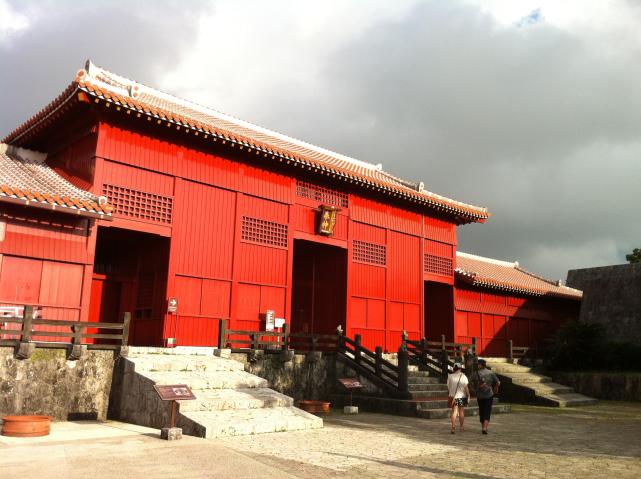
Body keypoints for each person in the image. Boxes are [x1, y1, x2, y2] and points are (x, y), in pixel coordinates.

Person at [474, 358, 500, 434]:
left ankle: (483, 427)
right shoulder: (491, 373)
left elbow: (468, 382)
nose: (477, 365)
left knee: (481, 410)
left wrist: (474, 389)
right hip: (489, 394)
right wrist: (496, 388)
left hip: (479, 395)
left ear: (481, 365)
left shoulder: (475, 373)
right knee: (487, 411)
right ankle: (484, 428)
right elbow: (498, 382)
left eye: (478, 364)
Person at [447, 362, 470, 434]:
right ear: (460, 368)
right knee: (461, 412)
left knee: (454, 411)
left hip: (453, 396)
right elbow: (466, 387)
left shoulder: (450, 376)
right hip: (461, 396)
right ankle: (462, 427)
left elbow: (448, 387)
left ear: (454, 368)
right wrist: (468, 395)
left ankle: (453, 427)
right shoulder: (463, 376)